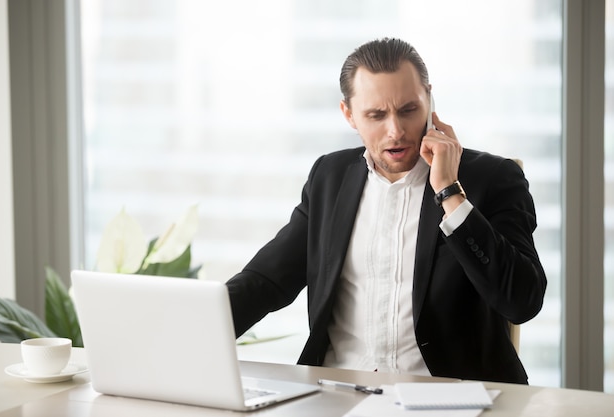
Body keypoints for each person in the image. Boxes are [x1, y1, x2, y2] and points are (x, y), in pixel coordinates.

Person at [225, 37, 547, 384]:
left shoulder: (492, 179)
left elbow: (522, 301)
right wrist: (187, 332)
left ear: (429, 99)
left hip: (446, 400)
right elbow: (266, 281)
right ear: (348, 114)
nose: (396, 131)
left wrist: (450, 193)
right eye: (376, 115)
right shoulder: (329, 178)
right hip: (337, 395)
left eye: (408, 110)